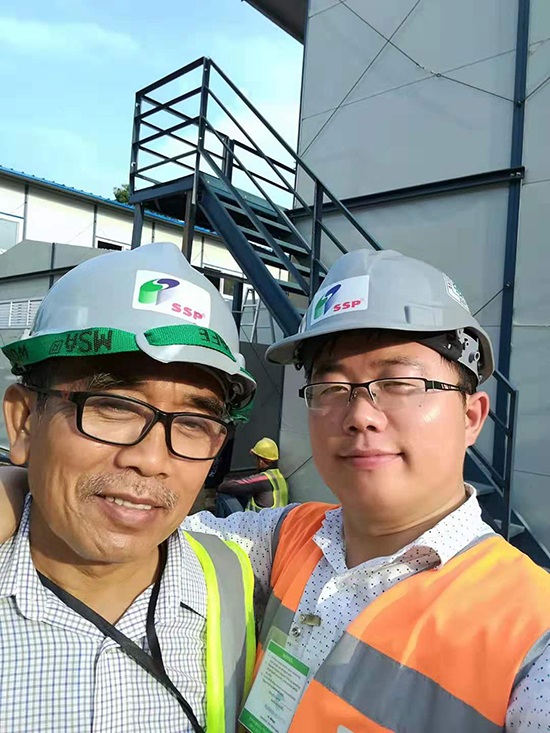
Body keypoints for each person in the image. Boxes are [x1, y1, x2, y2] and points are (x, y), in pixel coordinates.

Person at [2, 249, 550, 732]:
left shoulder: (535, 635)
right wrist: (17, 487)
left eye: (400, 383)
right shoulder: (286, 540)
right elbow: (137, 517)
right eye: (331, 387)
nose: (360, 415)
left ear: (472, 416)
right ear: (24, 420)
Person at [0, 241, 258, 733]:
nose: (151, 459)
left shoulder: (238, 581)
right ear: (26, 421)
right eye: (113, 406)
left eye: (193, 423)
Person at [215, 438, 288, 516]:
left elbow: (232, 486)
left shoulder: (262, 479)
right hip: (274, 521)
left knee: (223, 496)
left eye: (255, 458)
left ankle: (218, 523)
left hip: (256, 522)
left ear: (260, 461)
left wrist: (219, 486)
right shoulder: (280, 478)